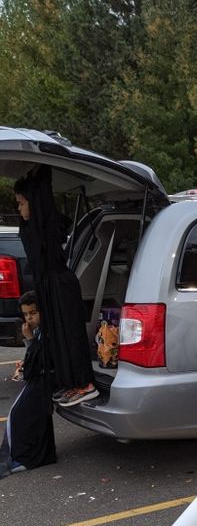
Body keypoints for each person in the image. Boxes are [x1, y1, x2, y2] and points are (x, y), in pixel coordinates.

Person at [14, 166, 98, 407]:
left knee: (70, 336)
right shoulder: (32, 228)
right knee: (58, 338)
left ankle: (85, 384)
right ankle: (71, 384)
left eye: (21, 203)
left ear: (35, 201)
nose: (19, 209)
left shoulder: (46, 225)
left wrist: (40, 174)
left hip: (60, 287)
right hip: (51, 287)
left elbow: (45, 199)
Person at [0, 291, 56, 477]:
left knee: (19, 414)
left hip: (46, 379)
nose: (29, 318)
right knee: (20, 414)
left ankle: (27, 457)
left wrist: (30, 340)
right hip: (39, 378)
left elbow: (43, 357)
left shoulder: (48, 331)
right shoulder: (39, 330)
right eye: (26, 314)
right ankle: (26, 454)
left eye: (33, 313)